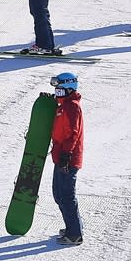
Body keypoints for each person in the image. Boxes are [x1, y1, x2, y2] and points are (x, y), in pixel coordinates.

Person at [49, 72, 84, 245]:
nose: (57, 93)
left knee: (66, 196)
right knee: (58, 194)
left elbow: (73, 133)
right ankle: (73, 227)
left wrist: (66, 155)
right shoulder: (64, 105)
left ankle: (75, 235)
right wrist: (48, 101)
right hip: (61, 157)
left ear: (69, 89)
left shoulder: (72, 107)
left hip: (67, 159)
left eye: (60, 90)